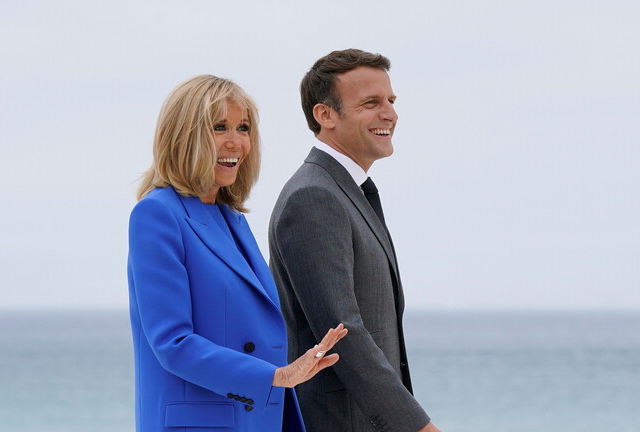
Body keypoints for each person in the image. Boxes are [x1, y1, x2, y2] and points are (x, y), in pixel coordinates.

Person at [127, 74, 347, 432]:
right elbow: (173, 343)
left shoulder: (232, 218)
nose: (236, 142)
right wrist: (277, 376)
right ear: (183, 135)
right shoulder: (157, 214)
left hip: (256, 418)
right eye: (219, 127)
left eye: (243, 128)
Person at [269, 49, 441, 432]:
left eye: (391, 101)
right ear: (325, 115)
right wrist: (416, 427)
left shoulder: (346, 189)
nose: (391, 114)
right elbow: (343, 333)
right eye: (371, 103)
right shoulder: (313, 197)